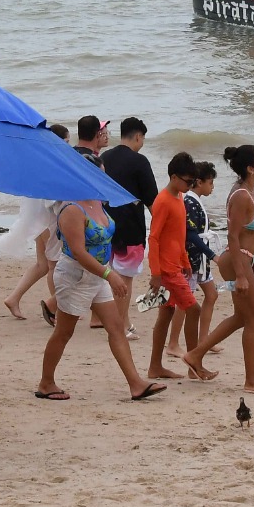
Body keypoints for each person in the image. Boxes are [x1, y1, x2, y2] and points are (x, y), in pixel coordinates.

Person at [34, 172, 168, 402]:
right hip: (75, 276)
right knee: (64, 332)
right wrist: (110, 275)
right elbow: (78, 252)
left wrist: (107, 272)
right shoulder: (71, 209)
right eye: (99, 173)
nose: (103, 178)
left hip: (98, 276)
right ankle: (46, 382)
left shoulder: (97, 201)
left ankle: (136, 384)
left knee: (116, 327)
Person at [182, 145, 254, 394]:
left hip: (245, 260)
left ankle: (195, 354)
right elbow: (233, 237)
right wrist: (239, 275)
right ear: (250, 167)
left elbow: (248, 232)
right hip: (236, 262)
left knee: (241, 317)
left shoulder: (249, 191)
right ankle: (251, 379)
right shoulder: (241, 196)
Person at [3, 124, 72, 321]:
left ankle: (14, 297)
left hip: (37, 220)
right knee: (53, 266)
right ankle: (57, 308)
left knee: (42, 265)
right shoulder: (52, 163)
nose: (68, 146)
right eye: (66, 141)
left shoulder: (38, 160)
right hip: (48, 221)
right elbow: (52, 199)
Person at [102, 117, 158, 340]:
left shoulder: (105, 157)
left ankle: (123, 322)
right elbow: (152, 200)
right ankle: (119, 327)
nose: (142, 142)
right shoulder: (140, 161)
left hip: (107, 224)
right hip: (131, 228)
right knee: (125, 279)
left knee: (114, 273)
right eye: (142, 138)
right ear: (137, 136)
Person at [146, 152, 199, 380]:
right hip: (166, 270)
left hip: (175, 265)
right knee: (194, 308)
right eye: (188, 181)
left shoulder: (178, 197)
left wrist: (185, 260)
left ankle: (155, 367)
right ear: (175, 177)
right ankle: (195, 363)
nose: (190, 185)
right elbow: (154, 238)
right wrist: (156, 273)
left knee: (165, 315)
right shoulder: (163, 201)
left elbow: (179, 235)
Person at [167, 160, 219, 360]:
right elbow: (190, 234)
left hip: (200, 260)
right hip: (192, 259)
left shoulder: (195, 201)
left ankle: (203, 340)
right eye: (210, 182)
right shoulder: (189, 202)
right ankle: (173, 343)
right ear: (199, 182)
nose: (212, 187)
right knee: (185, 302)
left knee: (212, 294)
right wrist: (212, 255)